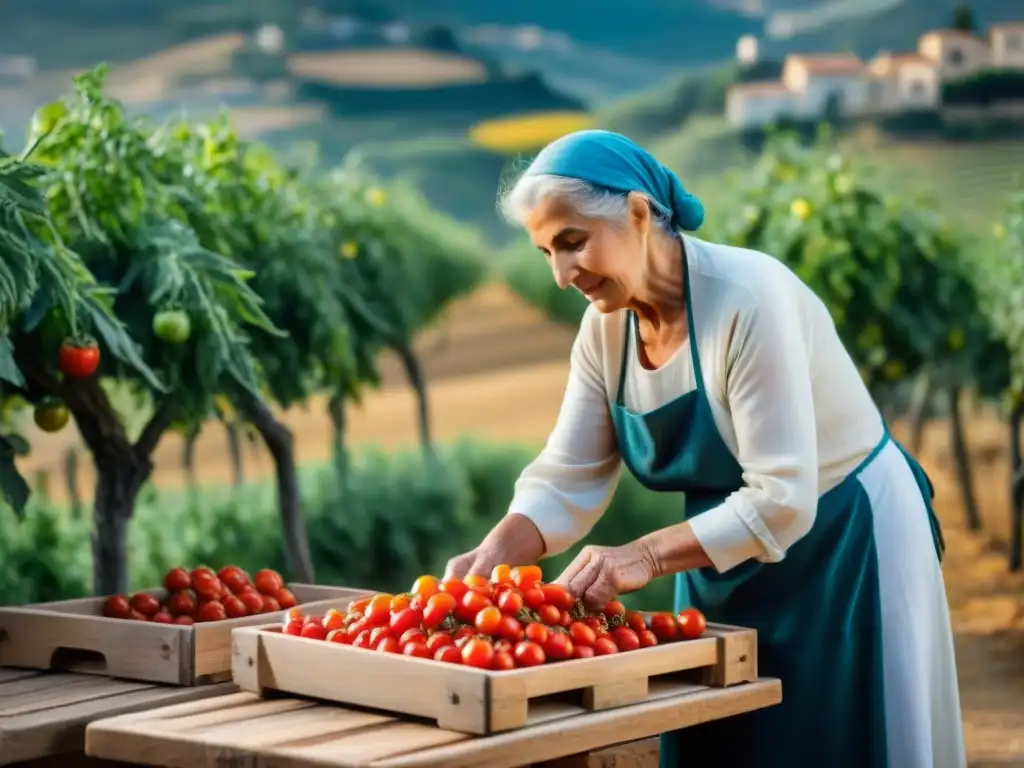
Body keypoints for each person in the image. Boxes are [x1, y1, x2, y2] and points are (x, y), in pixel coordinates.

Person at [445, 130, 966, 768]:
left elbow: (782, 498)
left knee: (839, 733)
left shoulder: (747, 298)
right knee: (719, 739)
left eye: (573, 242)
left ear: (638, 213)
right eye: (546, 252)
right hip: (723, 551)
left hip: (843, 539)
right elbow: (567, 476)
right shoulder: (603, 330)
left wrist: (640, 555)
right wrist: (499, 549)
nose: (560, 274)